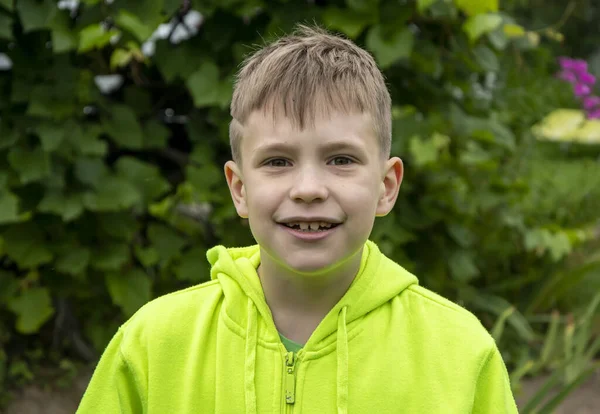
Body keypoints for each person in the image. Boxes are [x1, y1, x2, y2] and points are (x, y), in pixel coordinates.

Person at [77, 25, 518, 413]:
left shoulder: (459, 351)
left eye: (341, 159)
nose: (308, 188)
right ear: (239, 188)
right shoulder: (153, 344)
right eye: (277, 161)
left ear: (386, 186)